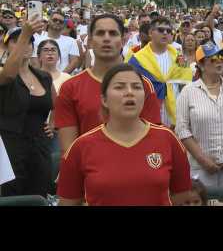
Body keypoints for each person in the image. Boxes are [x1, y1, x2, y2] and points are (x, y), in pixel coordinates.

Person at [57, 64, 192, 206]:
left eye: (136, 87)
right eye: (119, 87)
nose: (129, 92)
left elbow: (182, 196)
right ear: (104, 100)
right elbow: (68, 202)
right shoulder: (80, 147)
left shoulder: (168, 139)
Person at [55, 14, 161, 155]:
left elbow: (152, 140)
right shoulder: (70, 87)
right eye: (100, 33)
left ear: (123, 40)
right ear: (90, 41)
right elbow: (68, 150)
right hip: (88, 171)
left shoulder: (142, 85)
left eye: (113, 33)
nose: (106, 38)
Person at [176, 41, 223, 202]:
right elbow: (182, 129)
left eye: (221, 57)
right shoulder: (188, 92)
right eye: (213, 59)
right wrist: (202, 159)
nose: (219, 61)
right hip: (201, 167)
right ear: (200, 64)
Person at [0, 19, 56, 197]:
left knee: (40, 194)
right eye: (16, 41)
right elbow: (8, 76)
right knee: (13, 196)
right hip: (11, 151)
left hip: (39, 149)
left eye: (28, 41)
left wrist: (53, 123)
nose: (24, 44)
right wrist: (25, 33)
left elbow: (56, 104)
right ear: (7, 47)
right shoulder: (3, 72)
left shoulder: (44, 77)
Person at [128, 17, 192, 128]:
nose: (165, 33)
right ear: (150, 33)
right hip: (147, 116)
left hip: (176, 116)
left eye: (168, 31)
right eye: (161, 30)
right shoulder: (137, 59)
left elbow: (187, 84)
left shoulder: (180, 57)